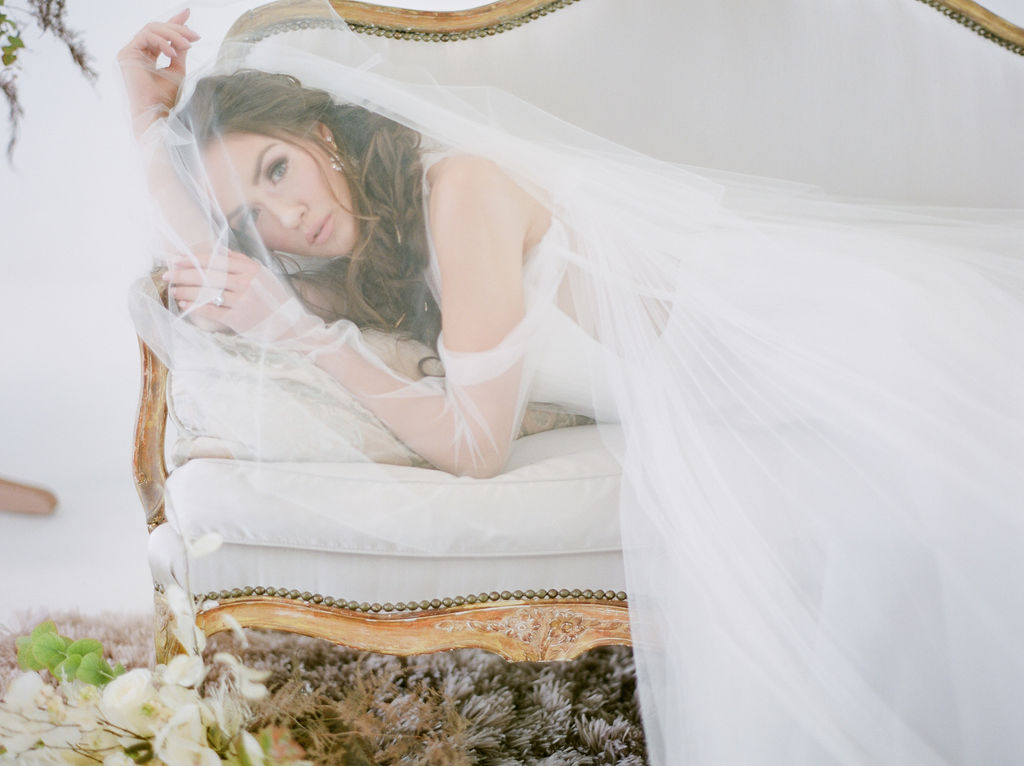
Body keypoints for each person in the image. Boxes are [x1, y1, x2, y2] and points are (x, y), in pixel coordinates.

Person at [119, 6, 1024, 765]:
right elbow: (204, 274)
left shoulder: (456, 193)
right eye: (254, 218)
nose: (288, 220)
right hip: (751, 381)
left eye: (278, 171)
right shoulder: (352, 243)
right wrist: (145, 126)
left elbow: (476, 450)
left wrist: (306, 338)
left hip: (807, 339)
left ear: (321, 135)